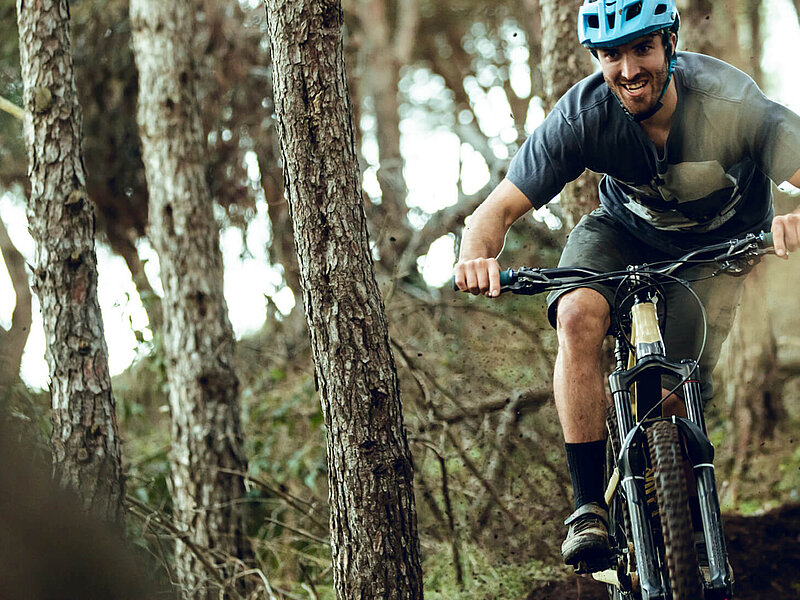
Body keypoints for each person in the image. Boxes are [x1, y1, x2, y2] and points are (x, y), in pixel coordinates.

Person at [453, 0, 800, 570]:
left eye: (642, 48)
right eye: (612, 55)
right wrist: (476, 258)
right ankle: (588, 505)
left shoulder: (729, 100)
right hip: (621, 234)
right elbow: (493, 214)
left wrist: (789, 218)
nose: (629, 69)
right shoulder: (584, 115)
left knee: (676, 394)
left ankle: (679, 521)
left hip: (714, 254)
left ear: (669, 43)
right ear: (598, 59)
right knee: (577, 314)